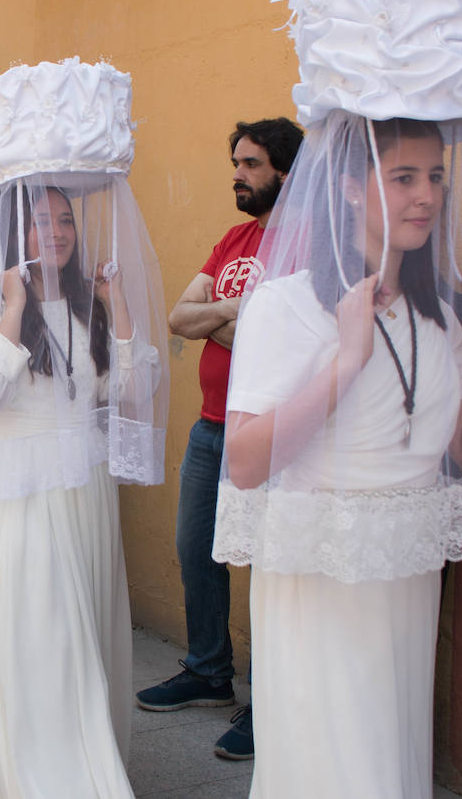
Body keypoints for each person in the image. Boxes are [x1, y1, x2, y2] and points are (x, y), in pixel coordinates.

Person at [212, 0, 462, 799]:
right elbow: (245, 461)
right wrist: (345, 359)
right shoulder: (286, 305)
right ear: (355, 185)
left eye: (435, 176)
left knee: (387, 763)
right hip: (321, 580)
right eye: (404, 177)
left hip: (402, 580)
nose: (428, 195)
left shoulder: (441, 313)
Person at [0, 59, 169, 796]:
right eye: (42, 218)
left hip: (83, 488)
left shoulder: (92, 310)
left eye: (66, 218)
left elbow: (131, 389)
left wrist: (119, 303)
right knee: (35, 633)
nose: (57, 231)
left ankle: (81, 755)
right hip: (15, 490)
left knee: (82, 632)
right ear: (14, 226)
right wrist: (9, 311)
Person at [143, 117, 302, 761]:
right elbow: (179, 318)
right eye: (236, 161)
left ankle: (271, 705)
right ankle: (209, 671)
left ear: (286, 172)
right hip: (212, 425)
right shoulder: (235, 239)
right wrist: (240, 312)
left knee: (268, 568)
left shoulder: (306, 244)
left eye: (251, 163)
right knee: (196, 549)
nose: (237, 173)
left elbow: (289, 339)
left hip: (270, 434)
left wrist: (225, 319)